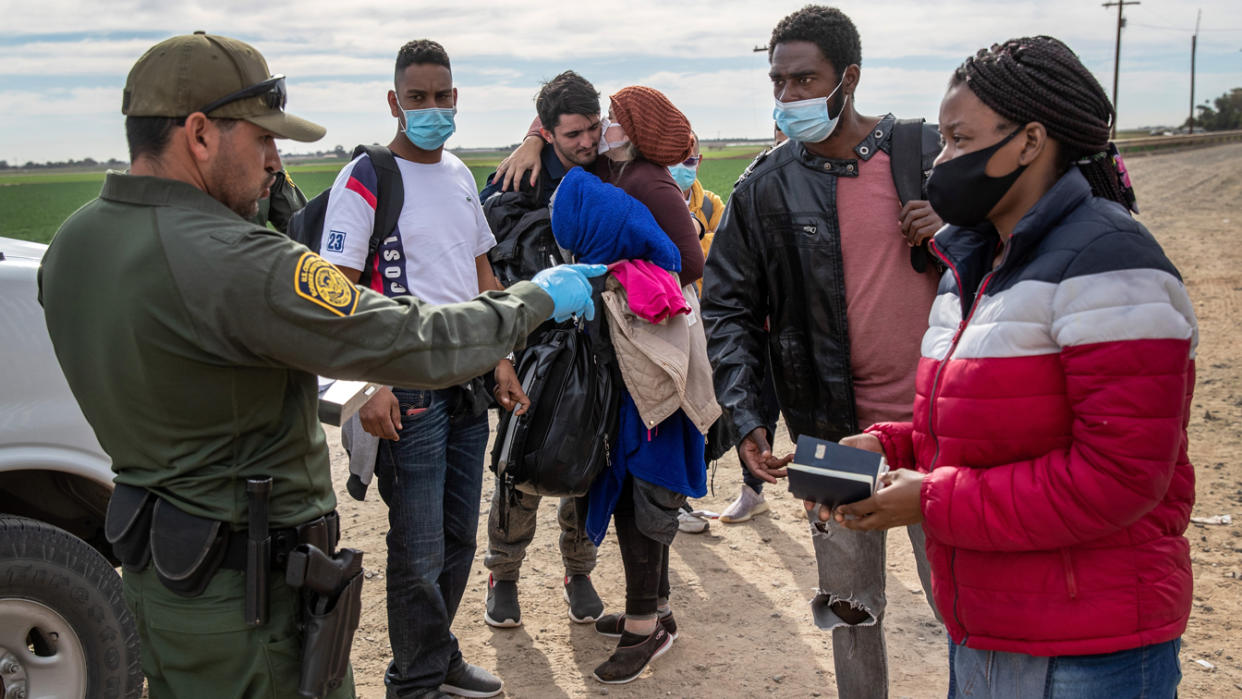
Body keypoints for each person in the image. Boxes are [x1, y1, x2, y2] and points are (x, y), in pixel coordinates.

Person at [36, 31, 601, 699]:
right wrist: (535, 297)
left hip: (163, 576)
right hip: (250, 604)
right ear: (199, 134)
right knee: (418, 547)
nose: (276, 160)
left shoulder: (72, 246)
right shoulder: (238, 259)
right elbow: (405, 335)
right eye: (263, 139)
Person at [821, 36, 1195, 699]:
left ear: (1028, 141)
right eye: (940, 141)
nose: (940, 163)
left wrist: (929, 500)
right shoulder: (973, 264)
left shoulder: (1110, 262)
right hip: (989, 630)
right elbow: (980, 430)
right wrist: (885, 446)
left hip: (1087, 649)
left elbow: (1120, 475)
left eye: (959, 141)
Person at [700, 6, 943, 698]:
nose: (789, 98)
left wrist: (954, 230)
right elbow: (729, 309)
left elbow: (1003, 263)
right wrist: (745, 414)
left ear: (850, 79)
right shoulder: (763, 188)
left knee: (966, 605)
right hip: (829, 438)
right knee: (848, 607)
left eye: (805, 80)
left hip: (941, 430)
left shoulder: (926, 157)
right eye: (779, 82)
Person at [315, 39, 515, 699]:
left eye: (441, 97)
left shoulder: (459, 174)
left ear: (456, 99)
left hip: (467, 385)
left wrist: (502, 355)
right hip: (406, 390)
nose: (431, 108)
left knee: (460, 535)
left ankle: (434, 656)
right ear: (394, 101)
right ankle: (416, 683)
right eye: (417, 97)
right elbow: (337, 290)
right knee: (420, 549)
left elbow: (482, 272)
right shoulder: (366, 177)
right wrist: (368, 385)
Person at [477, 71, 607, 630]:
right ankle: (502, 576)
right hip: (530, 349)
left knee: (589, 458)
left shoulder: (608, 169)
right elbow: (480, 258)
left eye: (593, 129)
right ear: (548, 133)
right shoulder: (514, 185)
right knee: (518, 460)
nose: (587, 142)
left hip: (598, 346)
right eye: (573, 133)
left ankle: (580, 571)